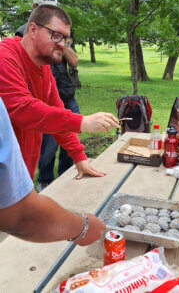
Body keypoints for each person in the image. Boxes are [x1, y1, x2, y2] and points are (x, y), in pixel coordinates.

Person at [0, 4, 119, 181]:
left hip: (18, 177)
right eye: (56, 36)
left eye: (66, 39)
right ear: (33, 29)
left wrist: (79, 157)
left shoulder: (44, 69)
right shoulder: (5, 58)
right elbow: (23, 109)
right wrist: (82, 122)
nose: (62, 45)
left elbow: (57, 111)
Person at [0, 97, 105, 245]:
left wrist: (78, 154)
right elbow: (20, 215)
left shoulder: (43, 73)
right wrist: (82, 227)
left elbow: (54, 107)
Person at [15, 0, 82, 192]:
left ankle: (66, 178)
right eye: (54, 35)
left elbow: (74, 61)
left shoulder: (53, 48)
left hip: (65, 93)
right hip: (40, 102)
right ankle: (44, 182)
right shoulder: (17, 43)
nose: (59, 42)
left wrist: (61, 41)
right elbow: (22, 106)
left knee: (67, 140)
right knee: (47, 147)